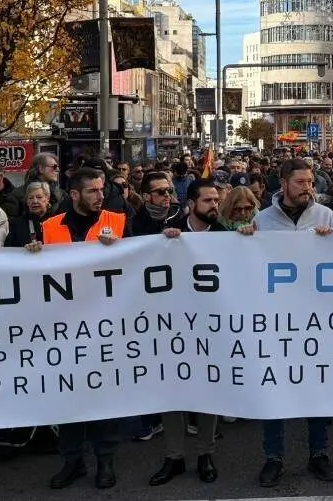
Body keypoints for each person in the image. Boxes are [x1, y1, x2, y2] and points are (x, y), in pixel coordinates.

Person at [241, 158, 333, 487]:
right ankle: (273, 457)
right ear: (283, 183)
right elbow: (248, 264)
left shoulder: (326, 216)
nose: (307, 187)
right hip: (276, 320)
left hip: (315, 318)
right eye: (300, 182)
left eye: (310, 181)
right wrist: (244, 239)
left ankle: (319, 453)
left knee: (315, 388)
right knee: (275, 388)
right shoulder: (263, 220)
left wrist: (332, 243)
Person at [34, 167, 129, 490]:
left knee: (104, 398)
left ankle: (105, 461)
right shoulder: (48, 227)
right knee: (69, 398)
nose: (100, 196)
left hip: (106, 326)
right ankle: (72, 461)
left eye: (101, 190)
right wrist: (30, 254)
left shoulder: (117, 222)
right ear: (74, 194)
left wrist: (121, 249)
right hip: (65, 327)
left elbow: (145, 256)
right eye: (92, 191)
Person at [148, 180, 226, 486]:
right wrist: (162, 244)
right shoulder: (170, 234)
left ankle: (205, 453)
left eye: (217, 200)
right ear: (191, 204)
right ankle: (174, 457)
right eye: (207, 200)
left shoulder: (226, 237)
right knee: (173, 394)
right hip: (174, 327)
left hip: (211, 327)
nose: (214, 206)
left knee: (208, 392)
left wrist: (248, 239)